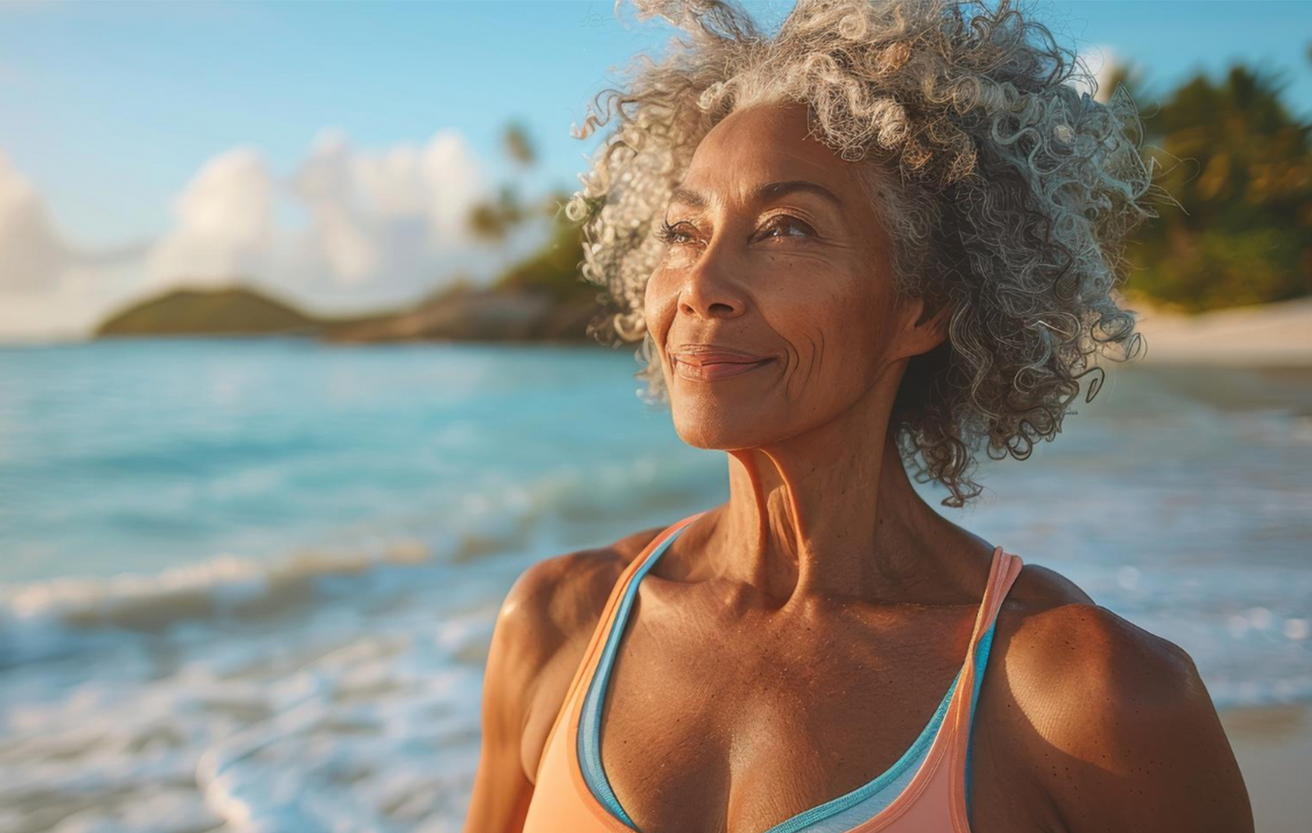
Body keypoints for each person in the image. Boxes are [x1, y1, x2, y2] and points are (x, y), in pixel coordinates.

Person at [463, 1, 1254, 831]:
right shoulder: (560, 623)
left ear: (925, 305)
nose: (700, 285)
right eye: (684, 230)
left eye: (786, 229)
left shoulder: (1085, 698)